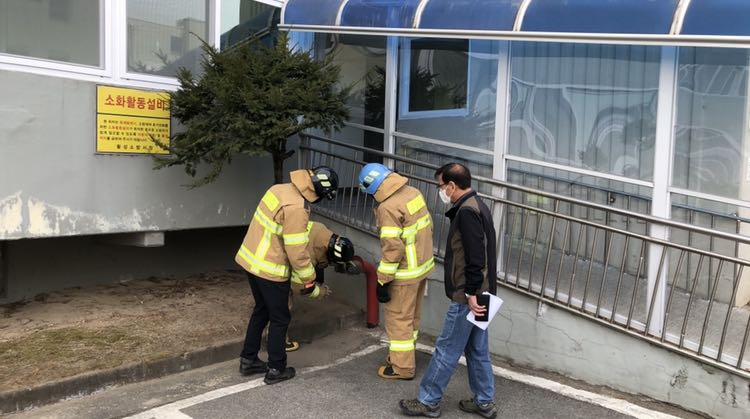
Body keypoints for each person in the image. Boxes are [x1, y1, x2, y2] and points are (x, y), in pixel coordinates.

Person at [399, 163, 498, 418]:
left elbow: (476, 258)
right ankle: (484, 402)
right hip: (484, 292)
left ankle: (428, 401)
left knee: (447, 348)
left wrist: (471, 293)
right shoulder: (478, 204)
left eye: (441, 186)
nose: (441, 191)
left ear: (452, 185)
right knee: (477, 349)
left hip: (469, 296)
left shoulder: (467, 212)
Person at [235, 166, 338, 385]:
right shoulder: (297, 209)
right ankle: (276, 368)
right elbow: (297, 251)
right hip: (270, 270)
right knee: (280, 318)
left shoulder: (278, 189)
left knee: (261, 311)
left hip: (251, 261)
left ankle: (248, 359)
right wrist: (310, 279)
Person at [358, 163, 434, 380]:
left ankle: (402, 367)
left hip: (404, 273)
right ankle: (405, 356)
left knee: (399, 320)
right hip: (422, 268)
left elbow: (393, 249)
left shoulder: (387, 208)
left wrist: (383, 280)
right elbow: (427, 227)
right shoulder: (413, 192)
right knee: (412, 317)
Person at [285, 221, 356, 351]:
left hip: (264, 252)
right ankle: (279, 342)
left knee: (262, 309)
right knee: (282, 306)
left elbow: (320, 255)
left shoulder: (320, 229)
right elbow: (298, 286)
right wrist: (320, 291)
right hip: (274, 268)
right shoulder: (308, 254)